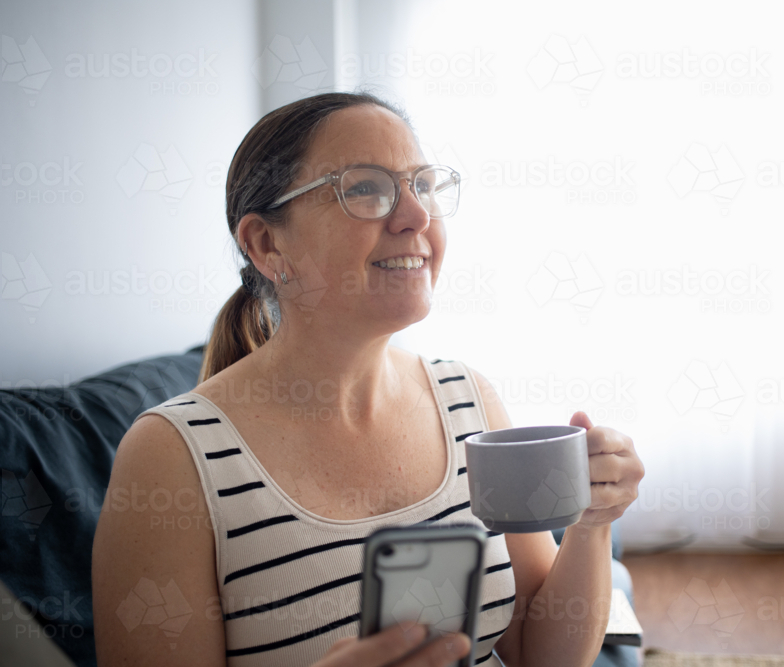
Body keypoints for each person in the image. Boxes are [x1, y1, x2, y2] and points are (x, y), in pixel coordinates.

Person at [91, 91, 645, 667]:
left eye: (422, 185)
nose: (417, 217)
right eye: (366, 189)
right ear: (266, 244)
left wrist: (592, 523)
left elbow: (541, 654)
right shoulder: (170, 457)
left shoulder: (468, 401)